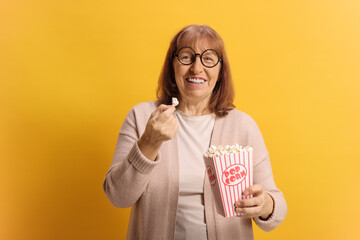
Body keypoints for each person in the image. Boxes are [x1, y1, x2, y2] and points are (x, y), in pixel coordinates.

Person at [103, 24, 287, 240]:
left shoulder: (242, 126)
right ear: (173, 65)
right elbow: (118, 196)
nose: (197, 68)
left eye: (208, 58)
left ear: (220, 71)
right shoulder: (142, 117)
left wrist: (265, 204)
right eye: (187, 57)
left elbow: (277, 207)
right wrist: (149, 143)